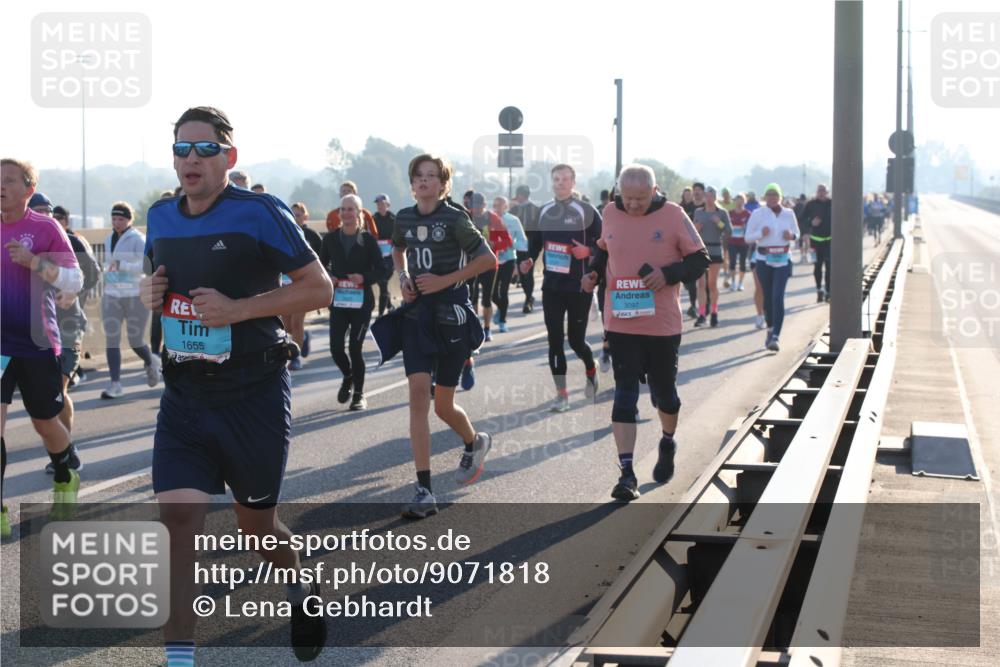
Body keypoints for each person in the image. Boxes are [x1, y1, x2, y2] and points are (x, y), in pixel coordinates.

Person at [141, 106, 333, 664]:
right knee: (177, 529)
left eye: (204, 149)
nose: (191, 160)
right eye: (182, 149)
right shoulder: (160, 215)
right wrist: (154, 295)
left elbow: (318, 288)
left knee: (258, 529)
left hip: (253, 394)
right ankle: (180, 659)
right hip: (185, 397)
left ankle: (299, 583)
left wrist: (238, 310)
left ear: (229, 157)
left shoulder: (260, 212)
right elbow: (170, 288)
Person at [371, 153, 495, 519]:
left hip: (452, 316)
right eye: (418, 176)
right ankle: (424, 489)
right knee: (416, 397)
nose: (424, 181)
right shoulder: (405, 218)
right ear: (412, 183)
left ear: (443, 184)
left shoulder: (455, 218)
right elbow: (397, 249)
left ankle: (475, 442)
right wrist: (405, 278)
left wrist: (443, 280)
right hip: (418, 317)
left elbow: (487, 259)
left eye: (431, 176)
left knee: (443, 406)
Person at [582, 164, 709, 500]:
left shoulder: (673, 214)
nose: (633, 205)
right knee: (624, 394)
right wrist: (593, 272)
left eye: (639, 198)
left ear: (654, 192)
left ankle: (667, 441)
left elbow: (700, 260)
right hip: (620, 322)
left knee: (665, 395)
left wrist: (668, 274)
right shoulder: (609, 211)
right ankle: (626, 474)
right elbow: (603, 250)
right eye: (627, 198)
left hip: (661, 325)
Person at [2, 158, 85, 537]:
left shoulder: (45, 227)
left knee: (45, 422)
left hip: (37, 342)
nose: (0, 185)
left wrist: (35, 262)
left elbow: (74, 279)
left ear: (28, 190)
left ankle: (65, 473)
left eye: (8, 180)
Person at [522, 164, 602, 412]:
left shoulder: (587, 211)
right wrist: (527, 260)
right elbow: (534, 244)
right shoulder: (543, 211)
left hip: (579, 286)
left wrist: (588, 251)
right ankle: (562, 394)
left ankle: (591, 368)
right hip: (552, 286)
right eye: (556, 179)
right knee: (555, 341)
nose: (560, 183)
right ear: (551, 182)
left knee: (577, 342)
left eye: (565, 179)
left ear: (573, 182)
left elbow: (605, 245)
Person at [46, 203, 100, 473]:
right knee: (43, 399)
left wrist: (75, 294)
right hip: (36, 330)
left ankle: (67, 448)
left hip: (68, 325)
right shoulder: (21, 241)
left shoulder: (73, 242)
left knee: (58, 389)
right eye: (41, 212)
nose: (48, 218)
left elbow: (93, 274)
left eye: (53, 214)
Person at [319, 194, 383, 411]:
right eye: (343, 209)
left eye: (350, 209)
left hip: (361, 304)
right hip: (338, 303)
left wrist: (364, 278)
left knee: (355, 348)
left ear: (359, 213)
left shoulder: (368, 241)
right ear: (339, 214)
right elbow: (319, 266)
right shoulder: (330, 240)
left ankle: (359, 394)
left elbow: (383, 270)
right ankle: (348, 376)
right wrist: (330, 277)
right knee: (336, 348)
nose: (346, 213)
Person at [100, 201, 160, 399]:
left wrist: (121, 264)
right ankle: (115, 384)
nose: (117, 222)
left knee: (135, 341)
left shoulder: (138, 239)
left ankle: (151, 361)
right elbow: (110, 265)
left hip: (134, 295)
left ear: (129, 219)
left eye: (121, 219)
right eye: (114, 218)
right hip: (112, 295)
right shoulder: (108, 238)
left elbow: (147, 266)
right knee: (112, 340)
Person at [745, 183, 798, 352]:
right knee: (767, 297)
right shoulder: (758, 213)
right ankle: (770, 328)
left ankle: (776, 336)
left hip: (783, 259)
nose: (772, 198)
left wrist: (791, 236)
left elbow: (796, 233)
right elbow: (748, 238)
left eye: (775, 195)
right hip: (763, 260)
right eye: (769, 195)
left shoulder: (789, 213)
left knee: (777, 296)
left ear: (780, 197)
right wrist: (761, 233)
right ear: (764, 197)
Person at [281, 202, 323, 370]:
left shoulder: (311, 235)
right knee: (287, 325)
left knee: (297, 322)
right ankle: (303, 337)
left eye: (298, 215)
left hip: (304, 285)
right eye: (292, 214)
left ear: (305, 217)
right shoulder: (283, 234)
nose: (295, 217)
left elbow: (322, 257)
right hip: (285, 284)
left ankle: (295, 358)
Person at [470, 193, 512, 342]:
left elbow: (508, 241)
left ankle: (487, 329)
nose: (474, 209)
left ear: (484, 205)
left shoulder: (493, 219)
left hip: (489, 264)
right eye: (472, 206)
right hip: (472, 265)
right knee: (472, 299)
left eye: (477, 206)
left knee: (486, 299)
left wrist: (495, 245)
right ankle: (475, 328)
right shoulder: (467, 217)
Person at [692, 187, 732, 327]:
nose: (708, 198)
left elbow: (729, 231)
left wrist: (718, 223)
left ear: (715, 197)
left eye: (710, 196)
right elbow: (691, 231)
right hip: (701, 250)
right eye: (706, 196)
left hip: (715, 249)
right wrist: (696, 228)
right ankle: (702, 314)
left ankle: (714, 312)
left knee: (712, 284)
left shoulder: (721, 213)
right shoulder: (698, 212)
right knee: (700, 284)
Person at [492, 195, 527, 333]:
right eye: (495, 205)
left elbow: (523, 241)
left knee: (504, 291)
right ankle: (501, 309)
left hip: (508, 260)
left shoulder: (513, 220)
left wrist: (511, 244)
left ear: (506, 207)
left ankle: (502, 321)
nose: (497, 208)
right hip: (493, 260)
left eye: (500, 205)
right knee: (492, 294)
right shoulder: (489, 219)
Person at [510, 184, 540, 313]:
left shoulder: (536, 210)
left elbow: (539, 231)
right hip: (518, 247)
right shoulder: (513, 210)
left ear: (522, 195)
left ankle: (528, 299)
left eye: (519, 195)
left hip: (531, 247)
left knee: (528, 274)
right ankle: (529, 296)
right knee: (522, 275)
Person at [801, 183, 832, 302]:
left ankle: (828, 291)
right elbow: (802, 219)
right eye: (819, 190)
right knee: (817, 267)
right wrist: (811, 223)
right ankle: (819, 289)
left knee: (830, 267)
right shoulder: (810, 204)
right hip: (815, 241)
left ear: (827, 192)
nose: (821, 193)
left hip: (829, 240)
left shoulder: (832, 203)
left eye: (823, 190)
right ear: (816, 192)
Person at [372, 193, 397, 316]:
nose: (380, 206)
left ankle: (381, 314)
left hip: (390, 258)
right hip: (376, 258)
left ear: (388, 205)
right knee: (383, 283)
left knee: (383, 282)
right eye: (378, 204)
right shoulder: (372, 220)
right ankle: (389, 305)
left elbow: (400, 240)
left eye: (382, 204)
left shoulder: (394, 219)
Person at [727, 193, 751, 292]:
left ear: (744, 201)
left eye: (741, 200)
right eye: (737, 200)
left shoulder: (748, 214)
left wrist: (745, 228)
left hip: (743, 242)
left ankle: (740, 283)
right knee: (732, 262)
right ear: (734, 201)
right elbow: (723, 226)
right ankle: (733, 282)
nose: (739, 202)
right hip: (732, 241)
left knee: (742, 263)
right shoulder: (730, 213)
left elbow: (752, 227)